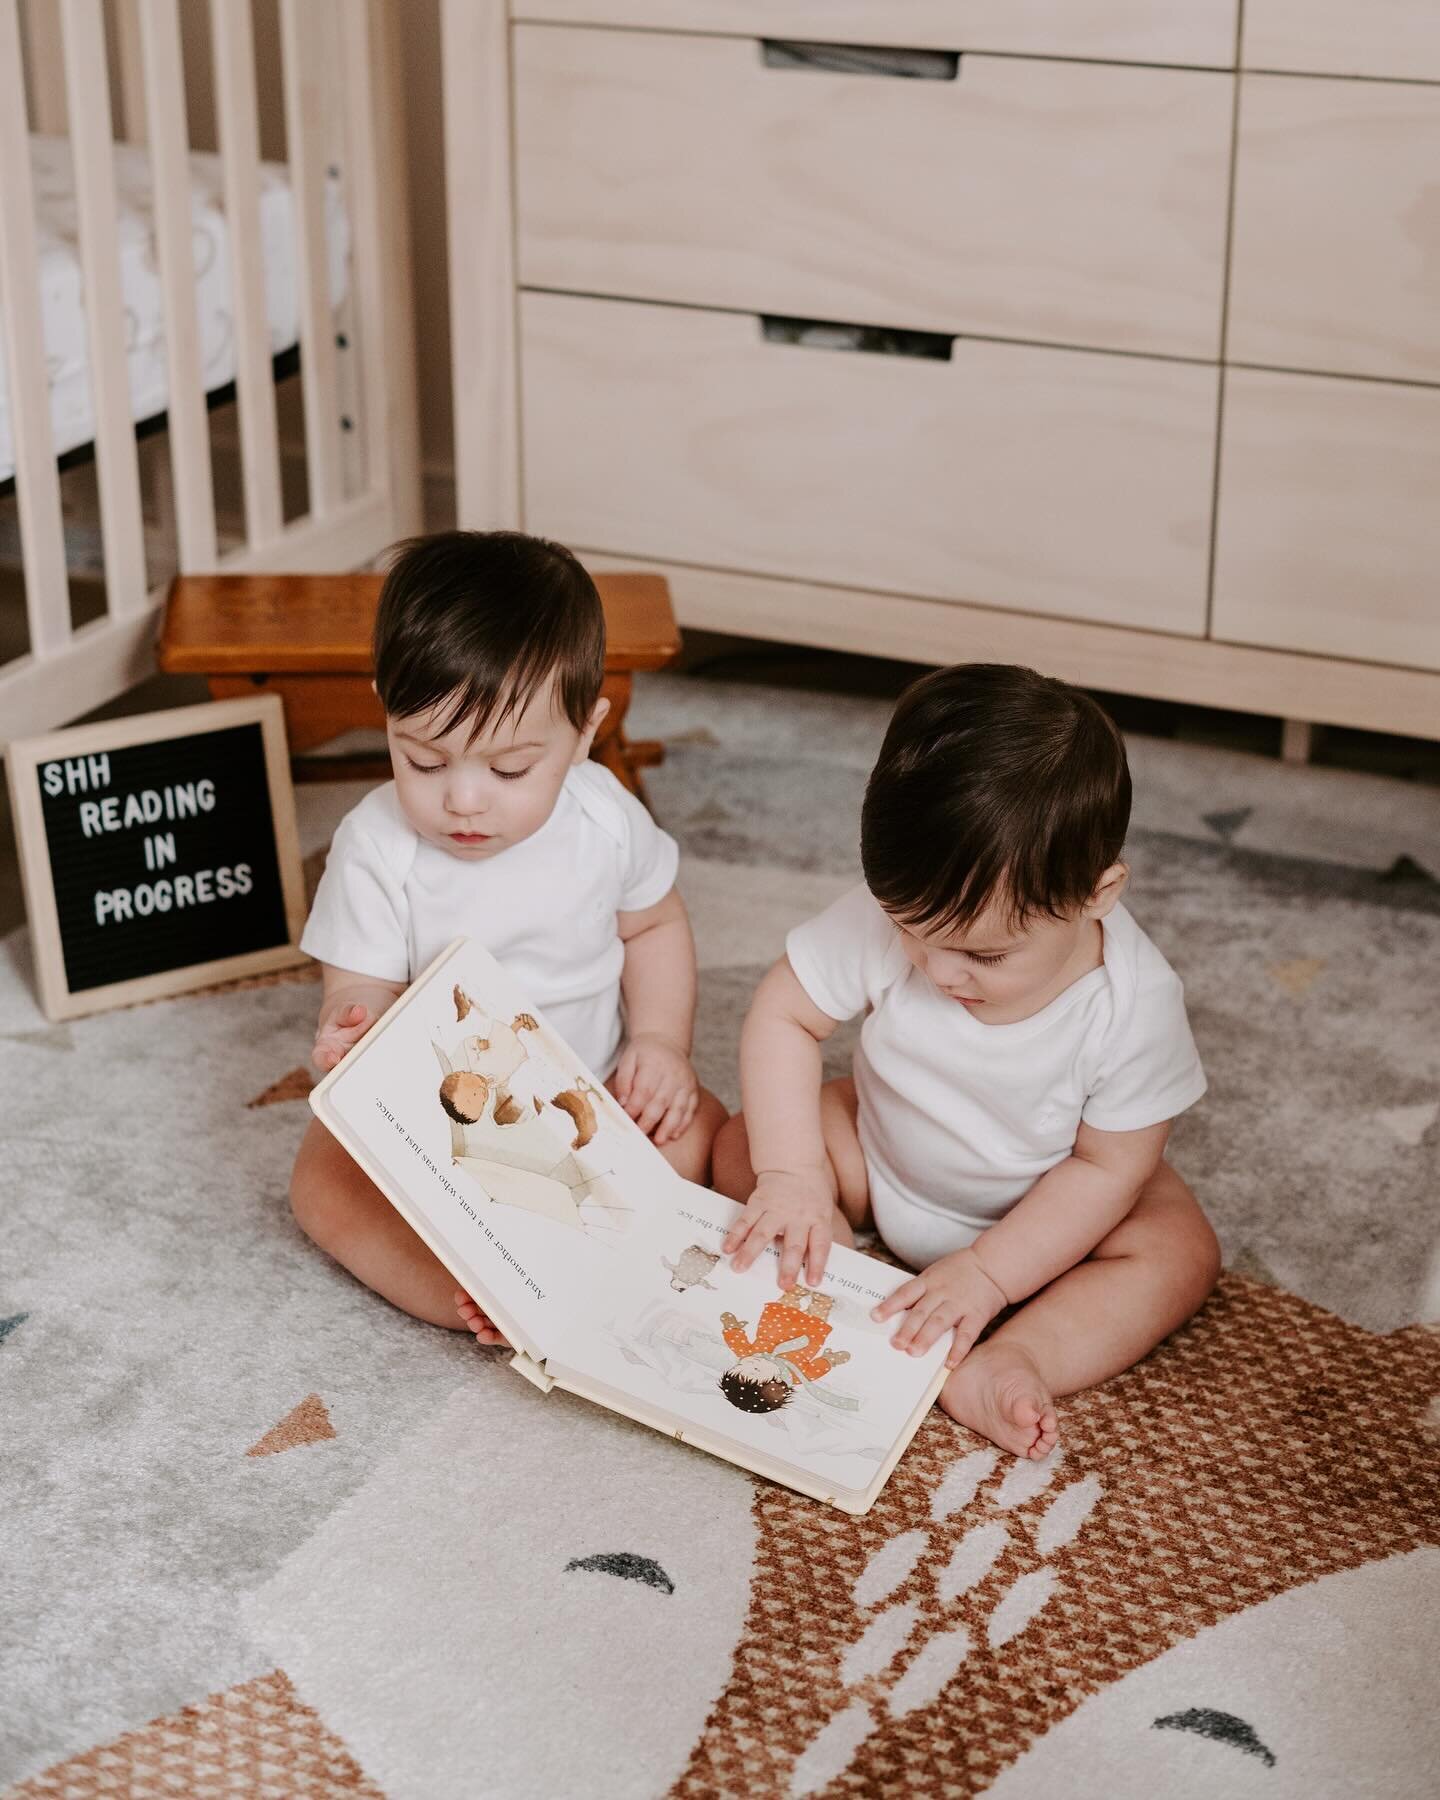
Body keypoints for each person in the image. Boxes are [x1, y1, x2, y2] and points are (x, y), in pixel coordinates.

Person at [713, 663, 1219, 1459]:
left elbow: (1105, 1170)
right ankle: (835, 1274)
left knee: (1177, 1250)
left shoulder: (1135, 1006)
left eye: (984, 955)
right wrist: (791, 1176)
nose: (938, 970)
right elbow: (784, 1015)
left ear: (1099, 893)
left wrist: (988, 1274)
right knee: (748, 1139)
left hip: (1047, 1210)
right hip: (883, 1156)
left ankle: (1014, 1357)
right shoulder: (915, 915)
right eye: (911, 931)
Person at [291, 530, 727, 1329]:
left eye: (510, 770)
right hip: (443, 1130)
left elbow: (655, 925)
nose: (463, 800)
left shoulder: (605, 817)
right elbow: (359, 981)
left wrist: (662, 1043)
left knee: (703, 1126)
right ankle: (463, 1296)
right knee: (322, 1180)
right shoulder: (376, 844)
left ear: (585, 731)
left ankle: (609, 1251)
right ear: (386, 704)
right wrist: (350, 1021)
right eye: (424, 760)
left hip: (594, 1102)